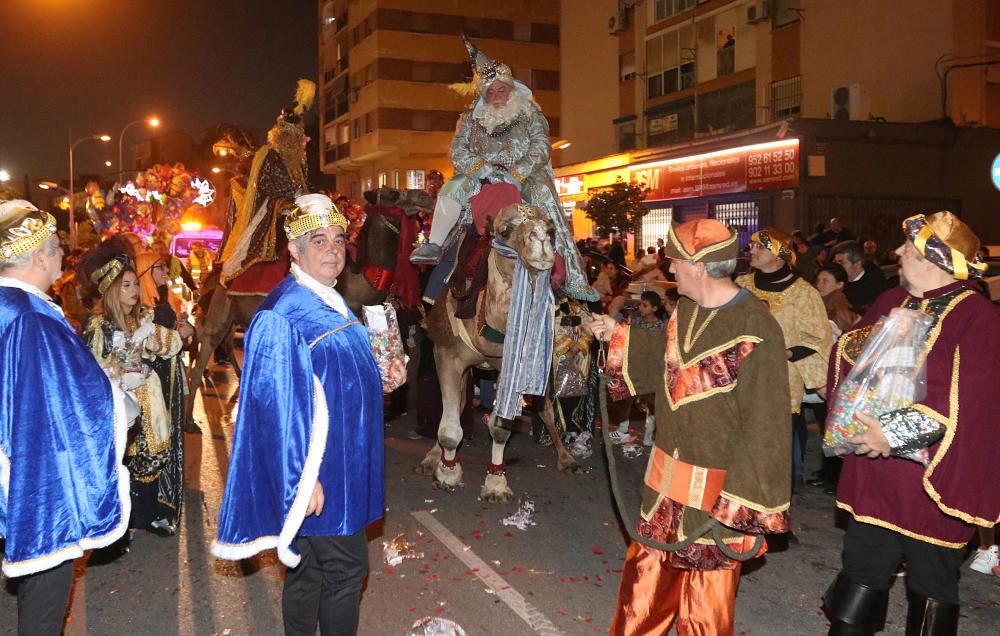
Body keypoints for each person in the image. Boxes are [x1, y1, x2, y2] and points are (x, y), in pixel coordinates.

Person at [589, 219, 792, 635]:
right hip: (666, 483)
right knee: (642, 593)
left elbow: (767, 426)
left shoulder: (756, 328)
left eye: (676, 263)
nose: (670, 271)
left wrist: (746, 506)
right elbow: (672, 367)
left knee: (705, 611)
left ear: (699, 268)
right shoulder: (685, 309)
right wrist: (618, 336)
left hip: (716, 495)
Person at [213, 193, 384, 636]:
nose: (333, 249)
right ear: (293, 249)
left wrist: (382, 375)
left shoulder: (326, 298)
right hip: (320, 477)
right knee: (346, 572)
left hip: (341, 465)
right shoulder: (283, 313)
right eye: (318, 240)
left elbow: (333, 377)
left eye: (338, 239)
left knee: (308, 571)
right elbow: (273, 411)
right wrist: (303, 481)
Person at [822, 211, 998, 635]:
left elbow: (971, 403)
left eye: (908, 247)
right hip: (874, 472)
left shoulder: (979, 320)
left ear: (935, 259)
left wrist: (893, 432)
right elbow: (850, 363)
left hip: (931, 483)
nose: (897, 252)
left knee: (932, 584)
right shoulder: (890, 302)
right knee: (860, 571)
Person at [0, 200, 129, 635]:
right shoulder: (31, 317)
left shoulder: (10, 305)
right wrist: (114, 389)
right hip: (36, 478)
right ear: (38, 257)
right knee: (46, 588)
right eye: (56, 248)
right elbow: (60, 404)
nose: (63, 256)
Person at [409, 37, 596, 301]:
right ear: (484, 95)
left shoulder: (531, 115)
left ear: (511, 91)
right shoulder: (469, 119)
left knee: (542, 200)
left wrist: (516, 172)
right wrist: (482, 168)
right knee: (452, 189)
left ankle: (559, 269)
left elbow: (542, 148)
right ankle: (435, 245)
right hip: (480, 177)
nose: (496, 97)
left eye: (501, 91)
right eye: (491, 92)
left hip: (525, 176)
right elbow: (458, 150)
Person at [81, 240, 189, 540]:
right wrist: (119, 370)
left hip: (147, 403)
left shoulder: (140, 318)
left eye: (134, 285)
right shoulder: (98, 324)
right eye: (126, 285)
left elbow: (169, 345)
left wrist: (163, 337)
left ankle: (146, 515)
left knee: (152, 456)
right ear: (112, 289)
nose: (133, 291)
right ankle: (120, 523)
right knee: (122, 460)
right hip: (119, 404)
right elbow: (92, 369)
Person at [738, 228, 832, 486]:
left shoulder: (804, 294)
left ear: (779, 254)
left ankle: (774, 515)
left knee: (773, 453)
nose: (751, 251)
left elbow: (818, 339)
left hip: (779, 383)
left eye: (759, 246)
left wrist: (785, 353)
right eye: (752, 246)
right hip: (737, 379)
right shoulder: (741, 286)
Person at [220, 79, 315, 287]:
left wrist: (307, 197)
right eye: (288, 133)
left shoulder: (300, 159)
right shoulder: (268, 154)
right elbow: (264, 185)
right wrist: (290, 197)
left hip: (298, 208)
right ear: (280, 131)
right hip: (275, 210)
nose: (292, 139)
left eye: (296, 134)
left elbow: (305, 183)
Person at [832, 240, 886, 315]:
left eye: (841, 262)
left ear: (857, 264)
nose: (836, 267)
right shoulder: (833, 279)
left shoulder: (873, 290)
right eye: (835, 262)